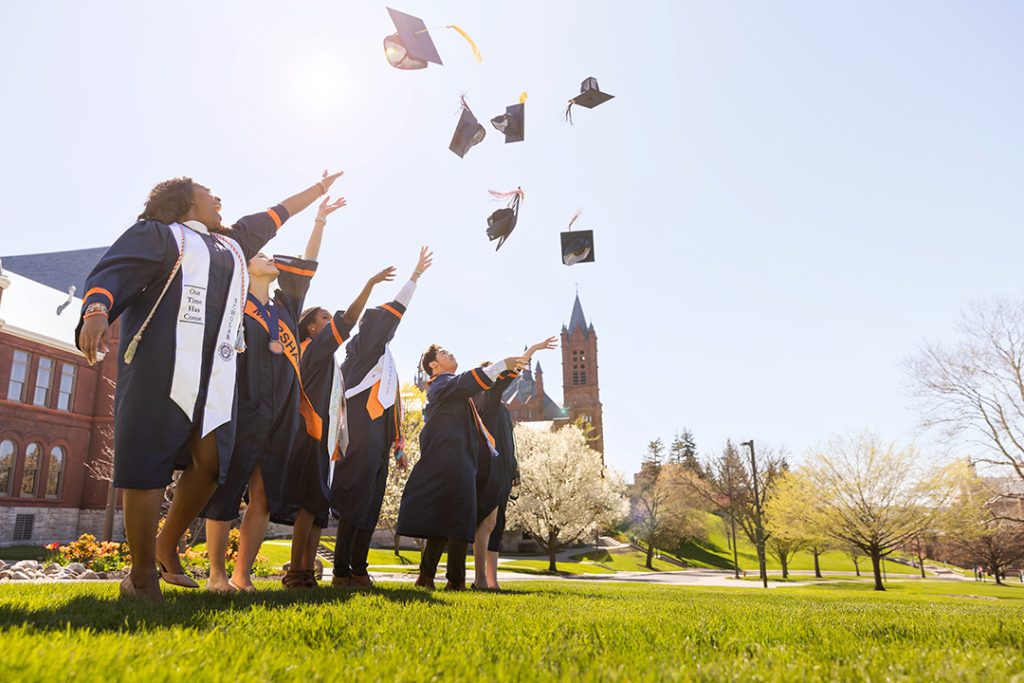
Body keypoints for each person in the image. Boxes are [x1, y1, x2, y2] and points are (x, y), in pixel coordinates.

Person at [77, 171, 343, 602]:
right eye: (207, 193)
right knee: (147, 465)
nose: (217, 197)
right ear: (184, 202)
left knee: (213, 465)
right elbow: (114, 271)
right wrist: (96, 310)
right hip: (161, 365)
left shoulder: (232, 245)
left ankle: (166, 544)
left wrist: (316, 191)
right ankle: (142, 574)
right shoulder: (160, 235)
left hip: (217, 375)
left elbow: (274, 216)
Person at [201, 193, 346, 592]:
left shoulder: (285, 307)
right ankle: (216, 574)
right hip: (240, 402)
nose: (270, 259)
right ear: (245, 268)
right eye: (261, 255)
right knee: (227, 490)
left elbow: (308, 264)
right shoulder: (233, 302)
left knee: (262, 497)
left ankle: (242, 575)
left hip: (280, 411)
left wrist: (319, 220)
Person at [274, 264, 399, 588]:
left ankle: (308, 573)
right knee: (307, 507)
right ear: (312, 329)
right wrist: (369, 284)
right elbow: (347, 321)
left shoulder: (329, 361)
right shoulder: (314, 351)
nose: (331, 323)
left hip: (326, 441)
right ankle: (297, 572)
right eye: (324, 319)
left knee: (317, 509)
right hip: (310, 434)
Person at [331, 247, 433, 588]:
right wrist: (414, 278)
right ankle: (342, 571)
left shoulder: (382, 358)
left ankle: (358, 568)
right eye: (385, 324)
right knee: (355, 501)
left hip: (377, 441)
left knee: (371, 505)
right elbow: (393, 313)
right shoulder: (363, 349)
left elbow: (388, 403)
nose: (391, 328)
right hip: (359, 434)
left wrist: (397, 445)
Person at [396, 345, 529, 590]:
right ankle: (455, 581)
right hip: (450, 457)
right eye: (444, 353)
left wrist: (511, 366)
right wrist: (501, 365)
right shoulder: (441, 384)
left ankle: (426, 577)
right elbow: (468, 381)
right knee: (460, 517)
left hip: (460, 457)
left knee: (446, 517)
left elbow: (484, 385)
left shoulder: (453, 388)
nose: (451, 354)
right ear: (433, 365)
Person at [472, 337, 557, 591]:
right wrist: (532, 351)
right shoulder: (487, 399)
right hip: (490, 468)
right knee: (486, 523)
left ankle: (492, 581)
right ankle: (479, 580)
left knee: (497, 525)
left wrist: (515, 469)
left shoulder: (501, 407)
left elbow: (510, 441)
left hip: (505, 471)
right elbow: (513, 371)